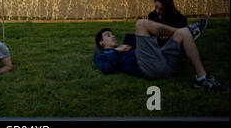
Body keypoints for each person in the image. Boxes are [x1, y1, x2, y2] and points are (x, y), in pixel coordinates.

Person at [93, 18, 228, 91]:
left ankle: (202, 78)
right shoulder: (102, 56)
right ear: (101, 42)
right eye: (108, 35)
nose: (113, 36)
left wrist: (127, 46)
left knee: (183, 34)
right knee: (141, 24)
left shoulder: (126, 44)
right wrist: (117, 51)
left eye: (112, 34)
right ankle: (190, 31)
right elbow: (107, 69)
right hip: (148, 67)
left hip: (165, 62)